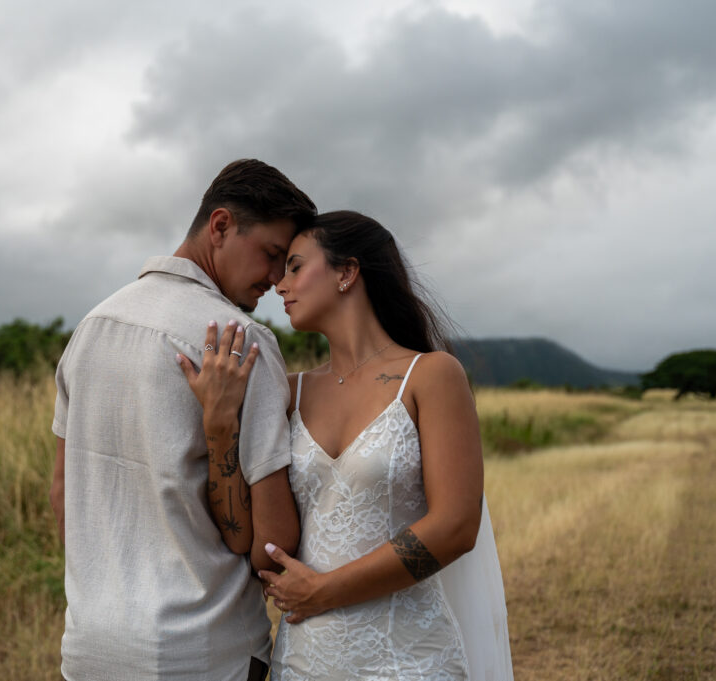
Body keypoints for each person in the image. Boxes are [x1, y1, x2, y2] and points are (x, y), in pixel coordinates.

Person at [177, 210, 513, 680]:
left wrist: (325, 590)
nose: (279, 283)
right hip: (305, 660)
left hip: (407, 661)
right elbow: (246, 536)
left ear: (347, 272)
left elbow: (457, 526)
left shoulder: (430, 375)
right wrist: (219, 426)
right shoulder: (287, 393)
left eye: (295, 266)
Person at [50, 159, 316, 681]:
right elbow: (272, 545)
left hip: (91, 646)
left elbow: (63, 492)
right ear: (219, 226)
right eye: (271, 255)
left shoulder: (91, 328)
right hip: (203, 650)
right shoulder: (242, 344)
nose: (275, 278)